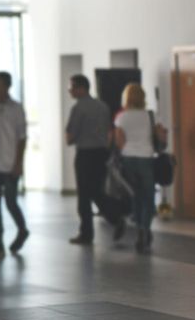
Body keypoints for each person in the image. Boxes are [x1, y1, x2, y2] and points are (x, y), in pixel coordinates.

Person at [66, 74, 126, 245]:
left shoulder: (78, 108)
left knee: (84, 195)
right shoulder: (103, 106)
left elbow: (70, 137)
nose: (70, 90)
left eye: (72, 87)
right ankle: (115, 216)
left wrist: (72, 137)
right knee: (97, 190)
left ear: (81, 88)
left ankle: (87, 233)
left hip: (85, 154)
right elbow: (109, 131)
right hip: (101, 154)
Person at [114, 83, 167, 253]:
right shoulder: (151, 116)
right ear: (143, 97)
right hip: (146, 158)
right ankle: (145, 228)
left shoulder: (121, 117)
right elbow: (161, 136)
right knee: (148, 196)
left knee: (135, 195)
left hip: (128, 159)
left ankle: (139, 229)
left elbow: (119, 142)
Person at [0, 72, 29, 256]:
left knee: (10, 201)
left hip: (10, 163)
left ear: (7, 86)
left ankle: (22, 228)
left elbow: (22, 138)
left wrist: (18, 163)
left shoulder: (16, 109)